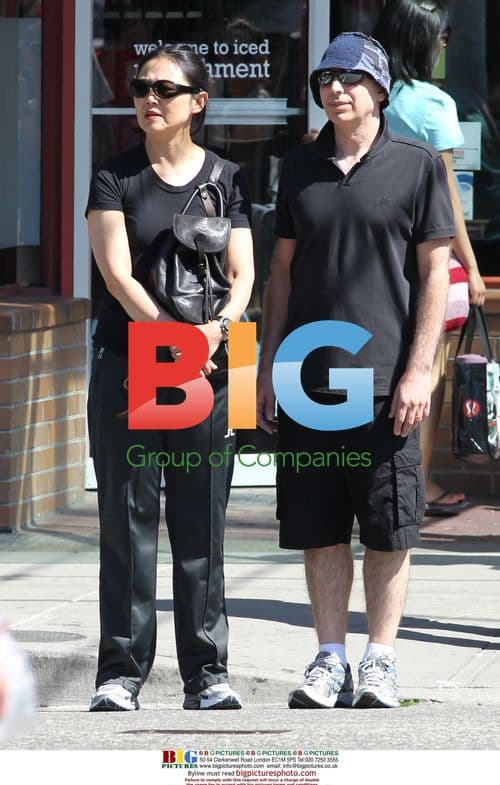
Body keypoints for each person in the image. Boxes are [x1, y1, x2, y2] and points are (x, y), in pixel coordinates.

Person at [257, 32, 454, 708]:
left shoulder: (416, 165)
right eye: (325, 79)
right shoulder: (298, 167)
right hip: (308, 381)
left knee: (388, 526)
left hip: (384, 380)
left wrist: (419, 370)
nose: (334, 89)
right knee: (317, 527)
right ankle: (329, 658)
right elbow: (281, 274)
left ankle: (381, 659)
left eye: (349, 78)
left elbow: (435, 273)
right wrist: (268, 367)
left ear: (379, 90)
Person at [86, 44, 254, 712]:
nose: (149, 98)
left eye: (164, 88)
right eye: (141, 87)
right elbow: (116, 275)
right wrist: (174, 339)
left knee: (202, 520)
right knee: (127, 519)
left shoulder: (228, 177)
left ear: (198, 102)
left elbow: (242, 274)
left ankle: (207, 673)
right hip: (132, 361)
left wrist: (216, 332)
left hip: (215, 362)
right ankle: (120, 672)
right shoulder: (115, 176)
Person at [373, 0, 486, 516]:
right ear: (422, 41)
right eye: (440, 37)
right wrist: (473, 267)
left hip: (377, 259)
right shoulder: (432, 103)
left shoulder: (370, 97)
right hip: (427, 256)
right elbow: (448, 198)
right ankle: (416, 485)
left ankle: (383, 481)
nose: (443, 46)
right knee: (428, 374)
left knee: (382, 372)